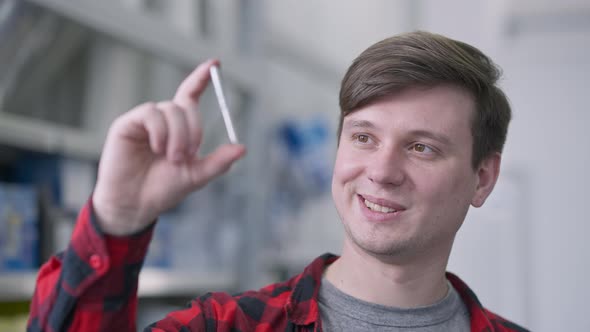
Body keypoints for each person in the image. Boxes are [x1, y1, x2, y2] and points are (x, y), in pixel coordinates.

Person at [27, 31, 529, 331]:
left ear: (481, 178)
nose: (381, 171)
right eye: (363, 138)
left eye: (422, 147)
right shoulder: (225, 327)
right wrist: (117, 220)